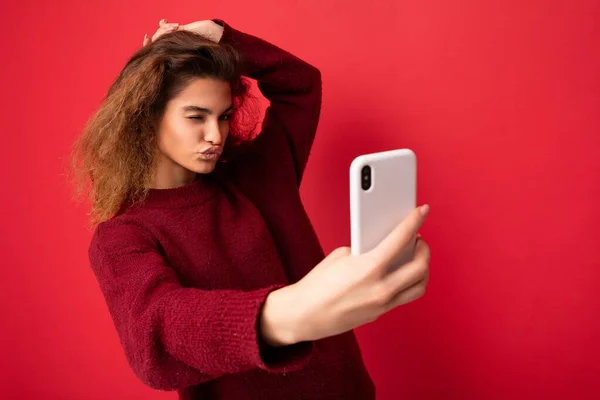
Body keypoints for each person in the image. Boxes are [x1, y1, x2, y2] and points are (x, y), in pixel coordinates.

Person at [70, 17, 431, 399]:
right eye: (196, 116)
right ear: (146, 117)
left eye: (224, 116)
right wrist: (286, 316)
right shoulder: (123, 236)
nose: (215, 135)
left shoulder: (259, 174)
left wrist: (219, 36)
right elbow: (155, 333)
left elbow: (300, 84)